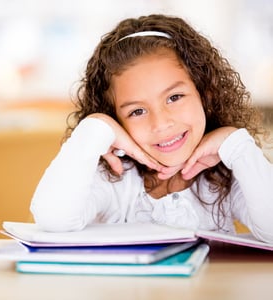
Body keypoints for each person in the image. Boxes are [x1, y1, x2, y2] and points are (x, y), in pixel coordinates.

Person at [30, 14, 273, 243]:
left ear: (206, 94)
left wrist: (235, 144)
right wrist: (96, 127)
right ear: (117, 122)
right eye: (137, 111)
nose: (161, 123)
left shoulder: (226, 172)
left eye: (175, 97)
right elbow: (54, 219)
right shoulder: (115, 178)